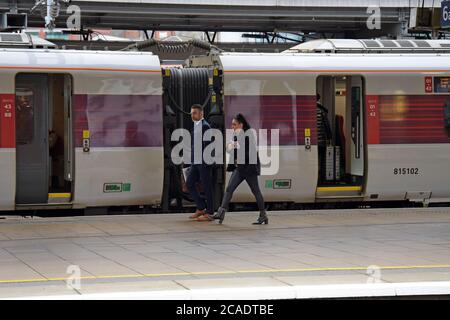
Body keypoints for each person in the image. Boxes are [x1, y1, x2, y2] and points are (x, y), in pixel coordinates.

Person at [212, 113, 268, 225]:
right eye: (232, 124)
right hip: (240, 168)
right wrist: (231, 150)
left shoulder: (248, 135)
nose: (232, 127)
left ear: (241, 125)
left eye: (234, 124)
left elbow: (249, 153)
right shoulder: (237, 135)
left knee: (256, 191)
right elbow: (232, 149)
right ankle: (221, 212)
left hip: (249, 169)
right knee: (229, 189)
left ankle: (263, 215)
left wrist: (234, 151)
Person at [186, 104, 215, 222]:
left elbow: (208, 146)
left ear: (201, 114)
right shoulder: (197, 126)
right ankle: (201, 207)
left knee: (207, 187)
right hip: (195, 162)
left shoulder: (205, 126)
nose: (192, 115)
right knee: (189, 183)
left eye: (195, 113)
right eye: (191, 113)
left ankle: (210, 212)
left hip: (203, 162)